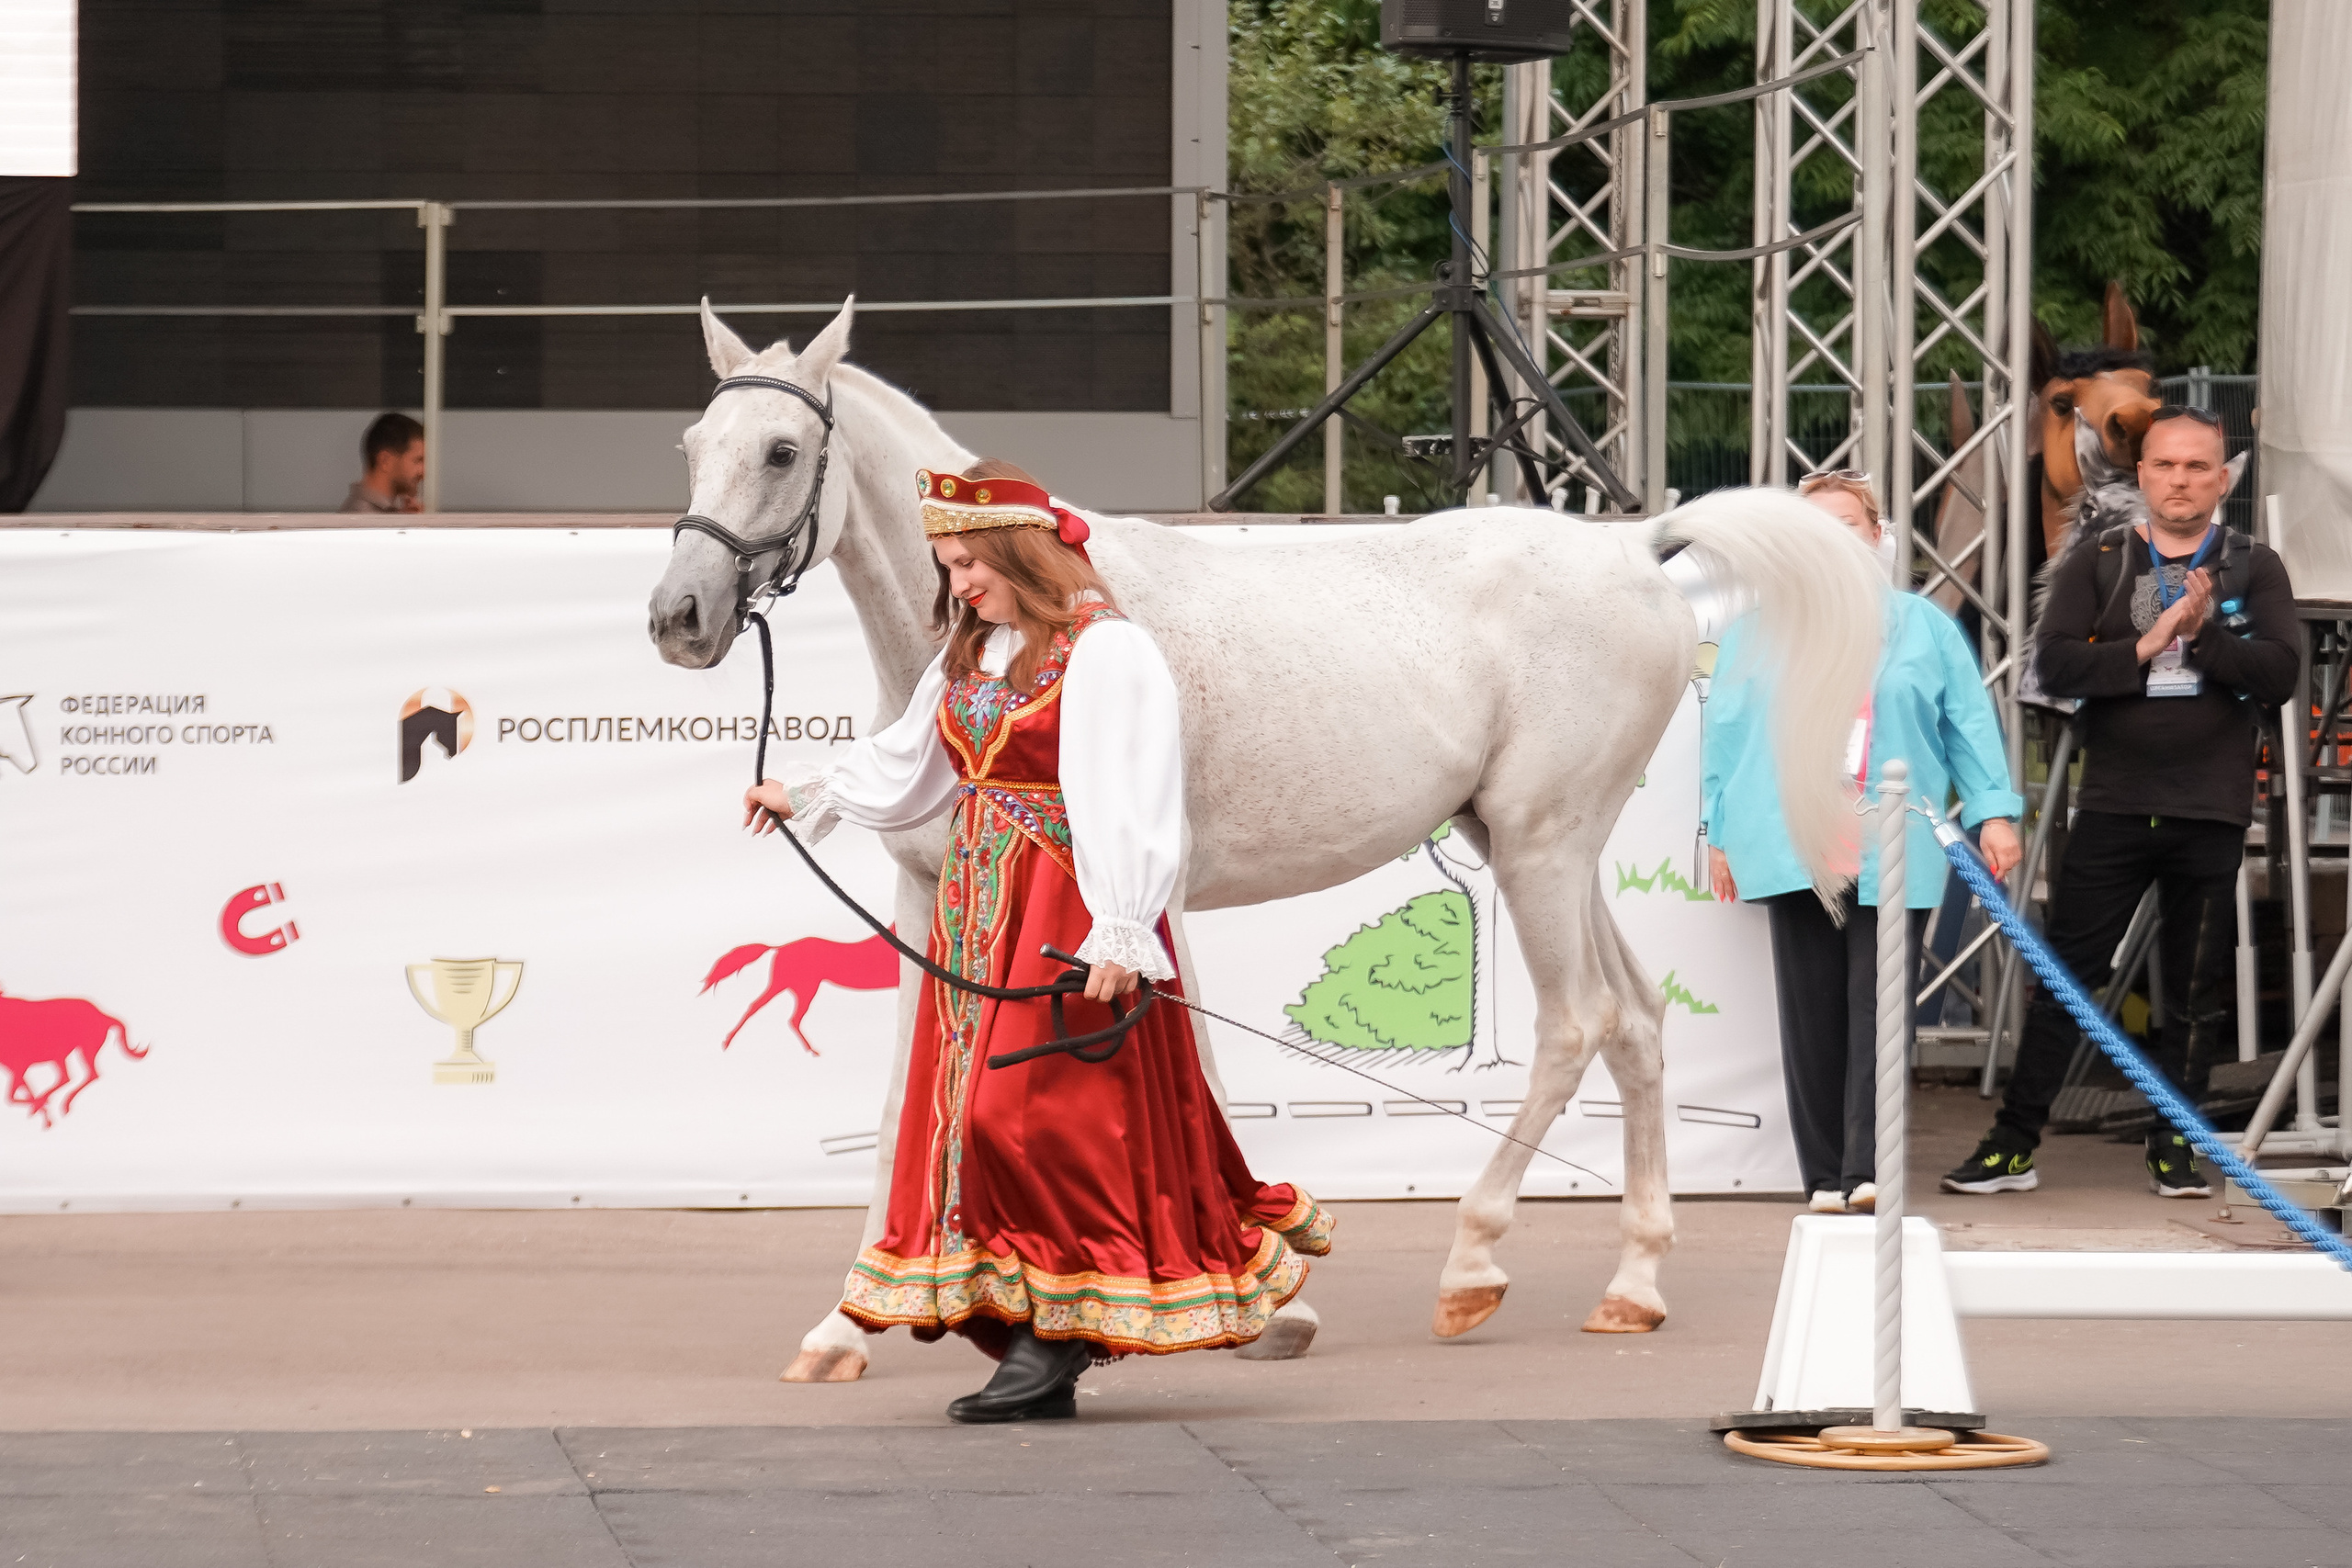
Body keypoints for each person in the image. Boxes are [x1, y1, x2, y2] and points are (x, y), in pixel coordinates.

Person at [741, 458, 1332, 1424]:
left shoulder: (1106, 650)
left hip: (1065, 909)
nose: (959, 582)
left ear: (1021, 551)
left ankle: (1057, 1333)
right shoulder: (976, 650)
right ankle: (1037, 1330)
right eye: (949, 566)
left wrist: (1122, 926)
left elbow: (1135, 796)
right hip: (980, 909)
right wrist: (807, 790)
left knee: (1030, 1115)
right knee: (971, 1119)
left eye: (970, 562)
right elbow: (915, 760)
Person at [1944, 408, 2298, 1199]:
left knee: (2193, 989)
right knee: (2066, 977)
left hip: (2209, 807)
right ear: (2141, 475)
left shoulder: (2253, 565)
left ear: (2223, 480)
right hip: (2112, 804)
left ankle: (2174, 1143)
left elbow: (2279, 673)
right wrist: (2146, 644)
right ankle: (2012, 1143)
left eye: (2197, 467)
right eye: (2165, 465)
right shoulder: (2101, 557)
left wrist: (2202, 638)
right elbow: (2054, 665)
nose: (2180, 480)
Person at [1705, 470, 2024, 1214]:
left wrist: (1994, 811)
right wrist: (1719, 834)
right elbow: (1725, 738)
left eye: (1847, 524)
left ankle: (1868, 1169)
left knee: (1880, 1011)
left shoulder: (1922, 625)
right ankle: (1823, 1175)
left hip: (1892, 841)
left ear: (1877, 537)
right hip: (1792, 838)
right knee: (1811, 1014)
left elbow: (1968, 723)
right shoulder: (1756, 631)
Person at [341, 412, 424, 513]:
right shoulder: (361, 515)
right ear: (385, 460)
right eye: (418, 460)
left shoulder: (377, 514)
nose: (423, 472)